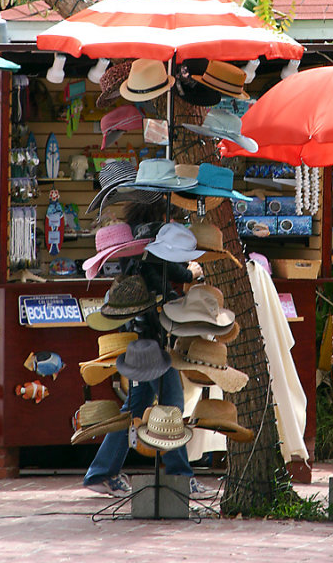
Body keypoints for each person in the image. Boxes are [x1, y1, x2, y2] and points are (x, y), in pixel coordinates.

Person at [83, 200, 213, 499]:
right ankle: (180, 476)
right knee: (171, 406)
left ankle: (102, 473)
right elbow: (174, 275)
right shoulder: (159, 244)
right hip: (154, 337)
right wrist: (191, 273)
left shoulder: (138, 243)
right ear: (164, 216)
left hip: (142, 335)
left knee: (142, 406)